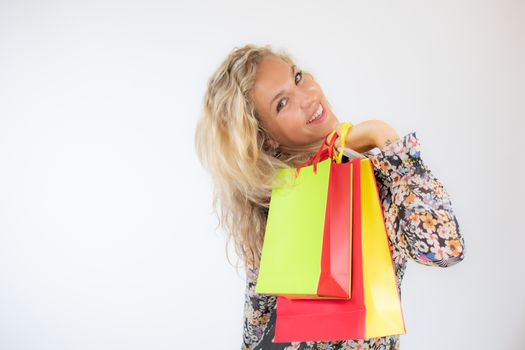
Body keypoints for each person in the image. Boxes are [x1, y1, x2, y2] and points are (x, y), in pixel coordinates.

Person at [194, 44, 466, 350]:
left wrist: (381, 134)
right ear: (265, 137)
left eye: (297, 78)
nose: (308, 97)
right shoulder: (273, 201)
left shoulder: (372, 178)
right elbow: (257, 326)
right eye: (282, 103)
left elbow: (443, 248)